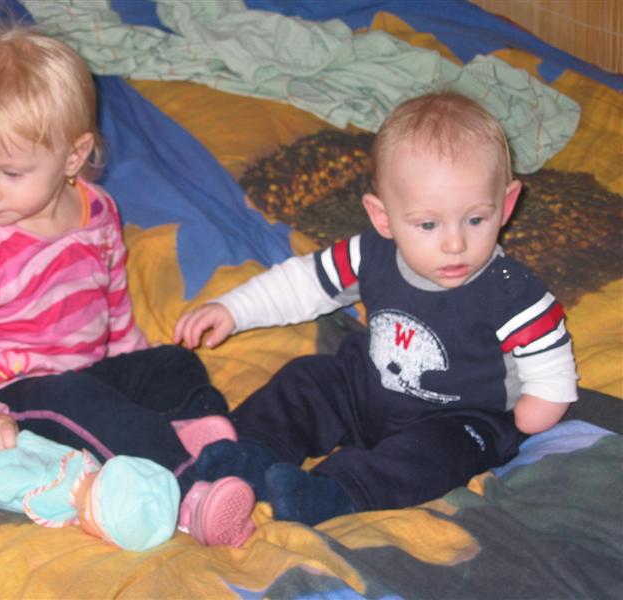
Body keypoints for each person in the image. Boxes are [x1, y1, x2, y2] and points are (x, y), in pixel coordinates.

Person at [0, 25, 254, 547]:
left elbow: (110, 297)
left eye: (10, 173)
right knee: (84, 403)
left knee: (174, 364)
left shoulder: (98, 210)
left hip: (89, 372)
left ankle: (197, 436)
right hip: (15, 394)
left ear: (73, 157)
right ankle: (187, 496)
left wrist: (134, 360)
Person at [173, 92, 579, 527]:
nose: (455, 243)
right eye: (428, 224)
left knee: (437, 456)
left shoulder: (510, 291)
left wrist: (544, 401)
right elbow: (304, 282)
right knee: (306, 380)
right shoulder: (370, 253)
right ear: (383, 218)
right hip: (366, 387)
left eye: (476, 219)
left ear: (507, 204)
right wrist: (234, 308)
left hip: (458, 416)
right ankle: (251, 452)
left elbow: (549, 352)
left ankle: (333, 493)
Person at [0, 429, 181, 552]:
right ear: (90, 515)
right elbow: (5, 480)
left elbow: (54, 449)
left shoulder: (90, 468)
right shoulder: (49, 485)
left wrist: (25, 441)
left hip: (18, 451)